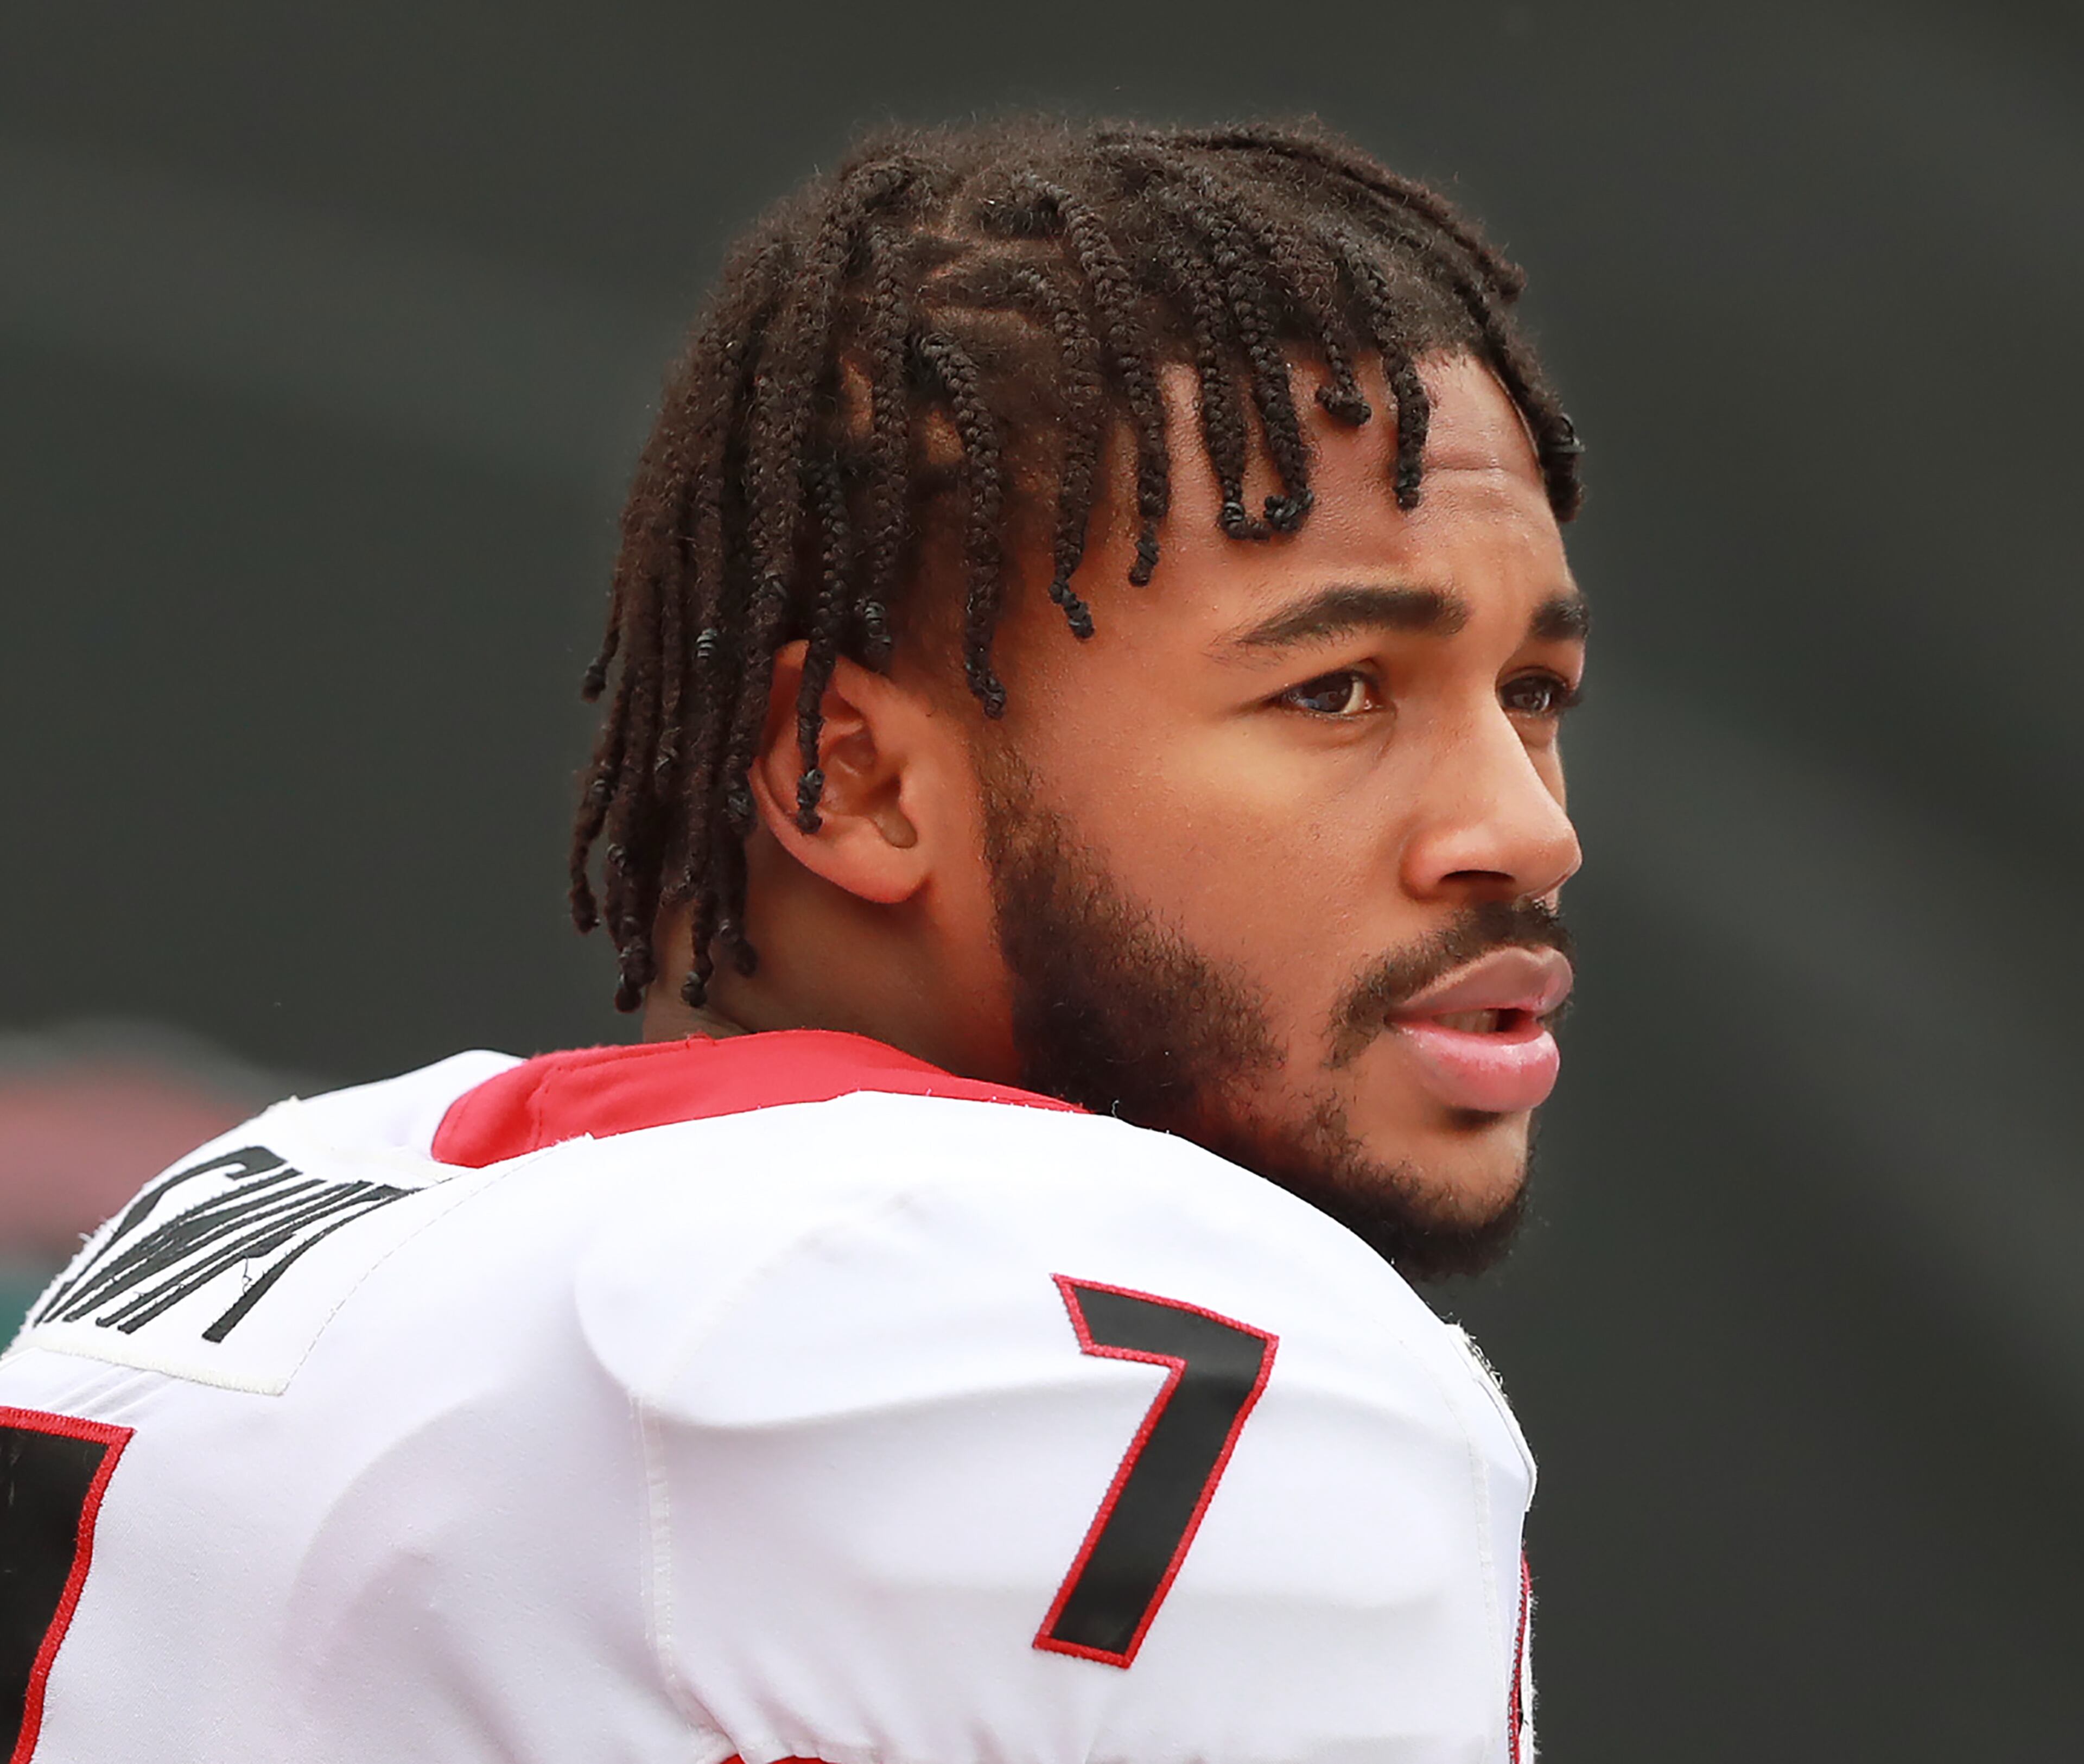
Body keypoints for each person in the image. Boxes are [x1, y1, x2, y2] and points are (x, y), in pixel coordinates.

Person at [0, 117, 1586, 1763]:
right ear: (856, 773)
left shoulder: (291, 1182)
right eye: (1333, 691)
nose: (1529, 826)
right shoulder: (1153, 1327)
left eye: (1534, 692)